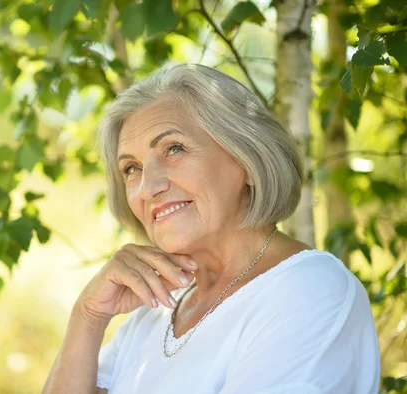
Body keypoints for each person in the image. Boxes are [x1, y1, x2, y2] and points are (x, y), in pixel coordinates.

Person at [42, 63, 380, 394]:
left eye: (173, 149)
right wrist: (88, 316)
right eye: (131, 168)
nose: (148, 187)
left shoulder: (309, 290)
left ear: (247, 159)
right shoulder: (155, 310)